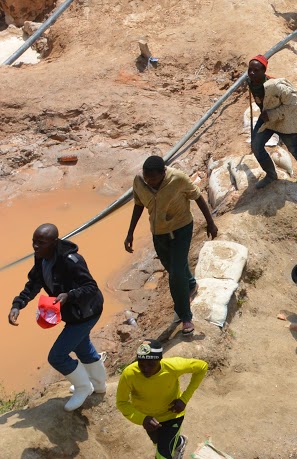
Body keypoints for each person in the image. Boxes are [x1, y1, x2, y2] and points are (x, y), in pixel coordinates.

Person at [9, 223, 106, 411]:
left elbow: (91, 287)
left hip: (87, 312)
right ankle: (99, 385)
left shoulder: (71, 260)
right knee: (82, 347)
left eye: (41, 242)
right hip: (72, 314)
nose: (35, 246)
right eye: (34, 242)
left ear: (54, 242)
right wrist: (18, 304)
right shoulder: (41, 258)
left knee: (57, 356)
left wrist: (69, 295)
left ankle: (83, 387)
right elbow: (34, 284)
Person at [127, 156, 218, 337]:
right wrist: (130, 232)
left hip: (181, 229)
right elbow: (138, 204)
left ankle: (185, 317)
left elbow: (198, 197)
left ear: (163, 173)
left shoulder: (178, 179)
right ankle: (191, 284)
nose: (149, 182)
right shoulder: (139, 181)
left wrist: (210, 222)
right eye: (147, 178)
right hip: (159, 233)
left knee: (176, 273)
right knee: (173, 268)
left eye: (153, 179)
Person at [116, 342, 206, 459]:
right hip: (149, 420)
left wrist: (184, 399)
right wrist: (142, 419)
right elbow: (121, 402)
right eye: (141, 364)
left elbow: (202, 367)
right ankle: (180, 443)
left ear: (159, 360)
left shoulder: (173, 366)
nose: (145, 369)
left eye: (151, 364)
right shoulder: (129, 374)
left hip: (172, 415)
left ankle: (174, 446)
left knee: (162, 456)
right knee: (158, 443)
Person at [245, 55, 297, 186]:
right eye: (250, 69)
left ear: (264, 71)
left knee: (293, 148)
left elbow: (293, 102)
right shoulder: (250, 81)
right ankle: (271, 175)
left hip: (283, 120)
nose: (252, 73)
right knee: (256, 146)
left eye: (256, 70)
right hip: (267, 120)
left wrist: (273, 114)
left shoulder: (275, 86)